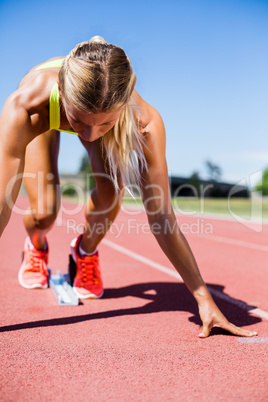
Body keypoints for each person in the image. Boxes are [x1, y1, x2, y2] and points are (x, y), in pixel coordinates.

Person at [0, 36, 257, 338]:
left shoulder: (145, 122)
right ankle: (37, 245)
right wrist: (84, 120)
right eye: (80, 124)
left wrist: (203, 299)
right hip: (51, 111)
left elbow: (161, 217)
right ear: (62, 94)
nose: (91, 135)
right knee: (45, 212)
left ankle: (85, 252)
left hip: (96, 107)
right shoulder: (27, 107)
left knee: (111, 195)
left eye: (105, 125)